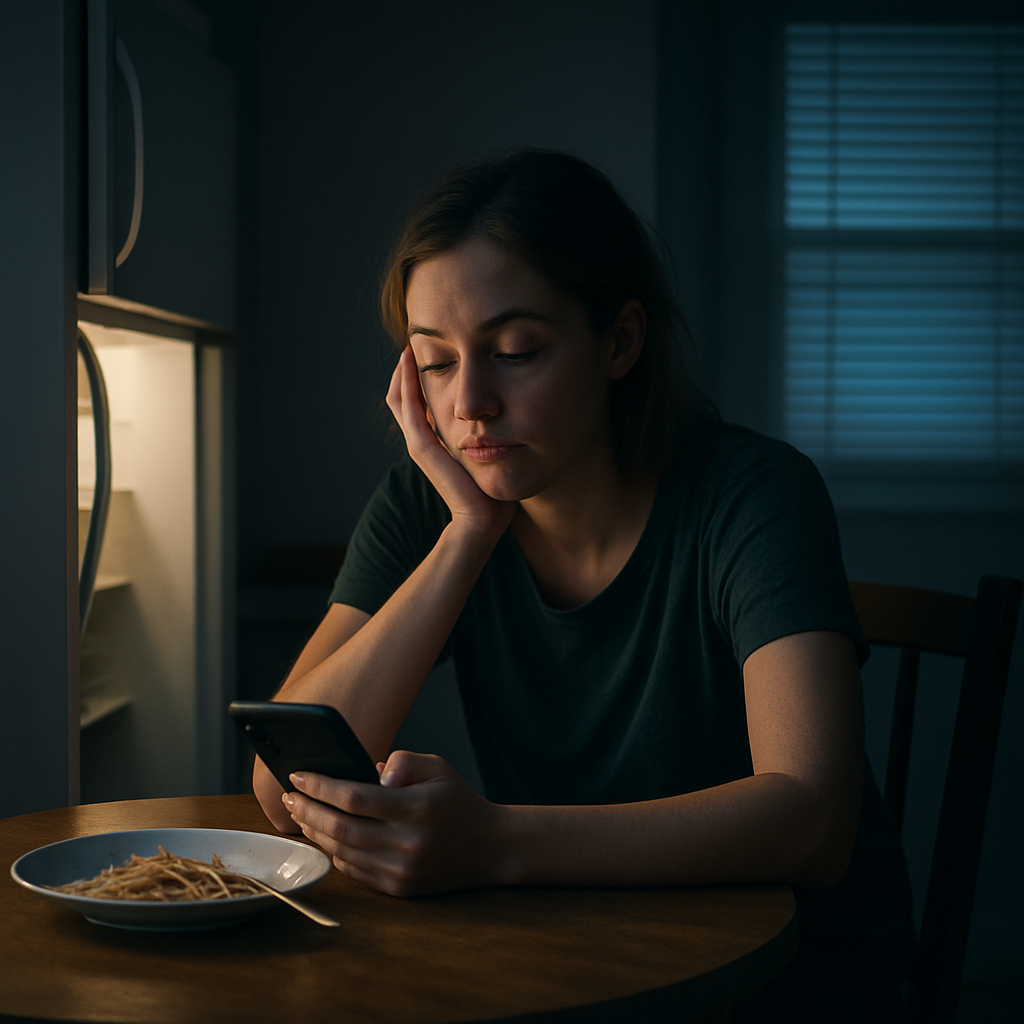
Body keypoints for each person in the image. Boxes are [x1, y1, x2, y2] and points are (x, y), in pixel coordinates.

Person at [252, 148, 915, 1021]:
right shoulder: (441, 498)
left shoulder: (751, 495)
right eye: (437, 362)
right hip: (575, 955)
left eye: (516, 350)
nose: (471, 404)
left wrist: (493, 843)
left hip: (783, 973)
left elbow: (811, 821)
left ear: (620, 341)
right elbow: (278, 782)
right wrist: (469, 536)